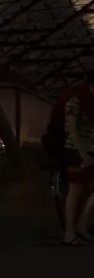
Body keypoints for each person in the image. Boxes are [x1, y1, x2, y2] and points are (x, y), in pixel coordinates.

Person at [55, 79, 94, 244]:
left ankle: (81, 226)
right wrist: (83, 154)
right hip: (75, 151)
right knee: (75, 191)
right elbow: (72, 129)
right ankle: (70, 233)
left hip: (91, 149)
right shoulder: (75, 101)